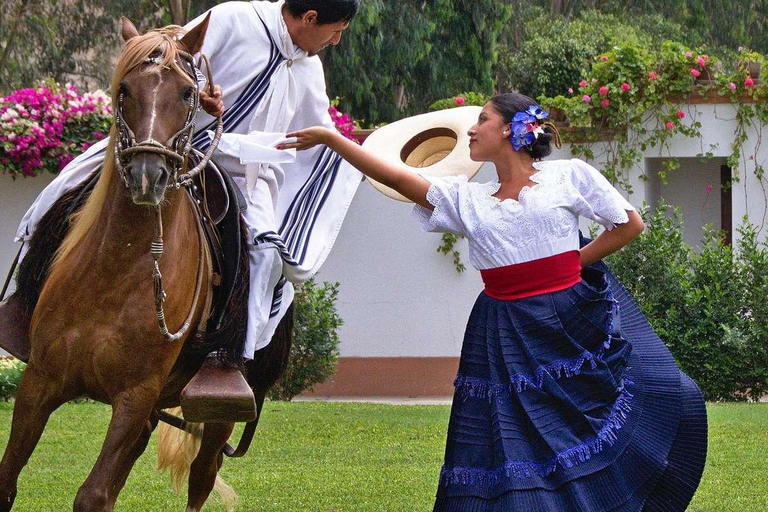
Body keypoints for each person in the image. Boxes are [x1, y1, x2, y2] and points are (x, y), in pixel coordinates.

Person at [283, 92, 708, 511]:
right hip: (502, 330)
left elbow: (628, 224)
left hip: (566, 321)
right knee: (508, 441)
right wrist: (332, 138)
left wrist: (570, 263)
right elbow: (396, 178)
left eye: (482, 119)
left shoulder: (569, 176)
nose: (470, 128)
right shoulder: (466, 198)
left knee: (576, 431)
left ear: (509, 128)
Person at [1, 0, 363, 404]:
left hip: (247, 171)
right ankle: (25, 298)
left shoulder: (308, 67)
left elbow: (317, 130)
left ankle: (225, 359)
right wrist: (204, 94)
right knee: (67, 187)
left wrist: (357, 156)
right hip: (170, 143)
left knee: (266, 251)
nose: (335, 40)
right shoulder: (234, 19)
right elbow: (163, 54)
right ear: (310, 18)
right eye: (337, 30)